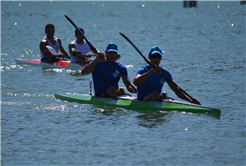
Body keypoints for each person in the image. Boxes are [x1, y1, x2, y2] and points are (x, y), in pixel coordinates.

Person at [133, 46, 201, 105]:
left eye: (158, 57)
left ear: (161, 58)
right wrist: (150, 72)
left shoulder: (164, 73)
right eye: (153, 57)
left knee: (164, 94)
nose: (156, 59)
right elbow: (135, 82)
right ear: (149, 57)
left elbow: (177, 91)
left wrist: (191, 101)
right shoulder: (143, 70)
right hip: (142, 99)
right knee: (155, 94)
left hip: (155, 97)